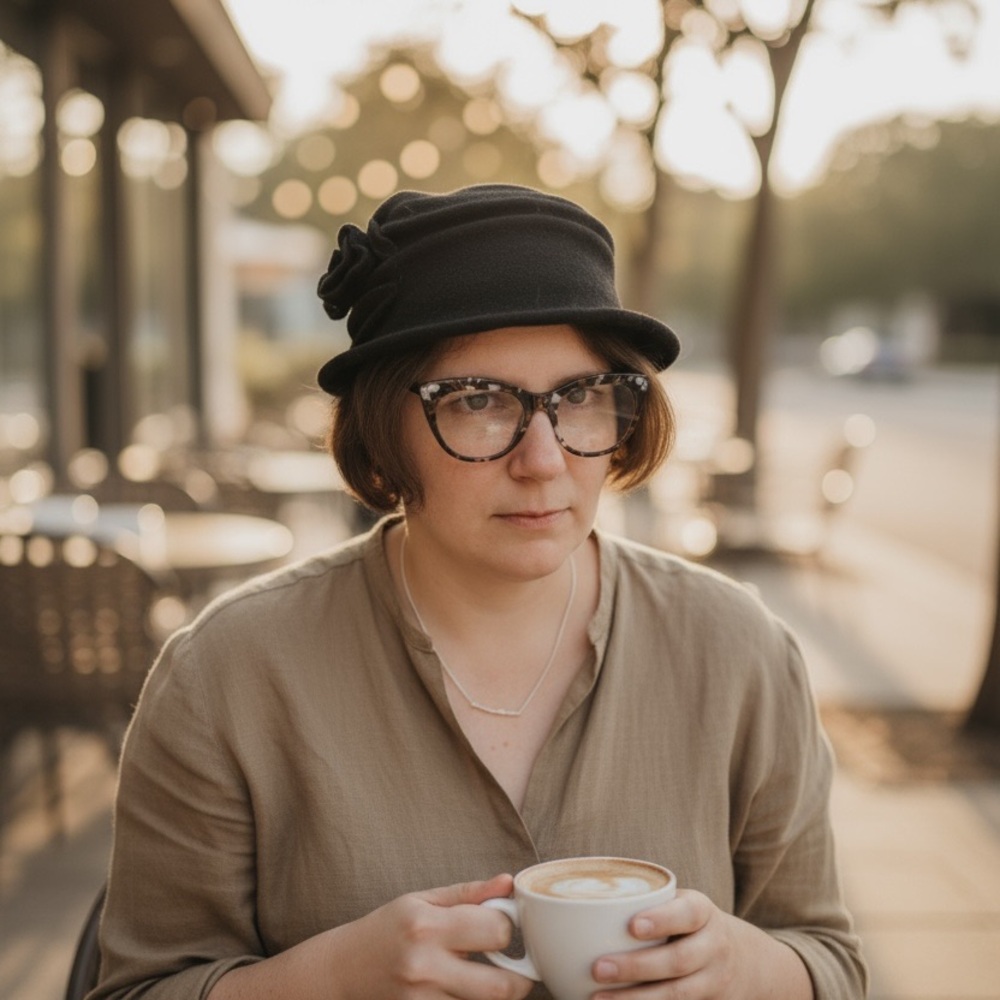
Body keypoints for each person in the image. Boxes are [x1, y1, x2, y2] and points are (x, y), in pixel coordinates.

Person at [91, 183, 867, 1000]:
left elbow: (830, 963)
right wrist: (327, 981)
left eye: (580, 396)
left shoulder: (740, 651)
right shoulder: (225, 677)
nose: (543, 461)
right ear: (383, 436)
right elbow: (140, 986)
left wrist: (740, 967)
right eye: (478, 401)